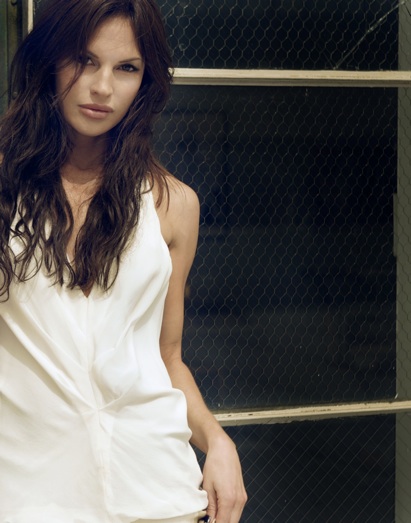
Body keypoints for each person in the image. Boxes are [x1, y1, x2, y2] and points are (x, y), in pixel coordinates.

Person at [0, 1, 247, 522]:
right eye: (84, 60)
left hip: (155, 489)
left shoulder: (174, 205)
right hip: (26, 492)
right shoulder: (6, 184)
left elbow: (167, 356)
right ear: (50, 61)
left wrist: (218, 441)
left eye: (126, 67)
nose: (102, 87)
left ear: (145, 81)